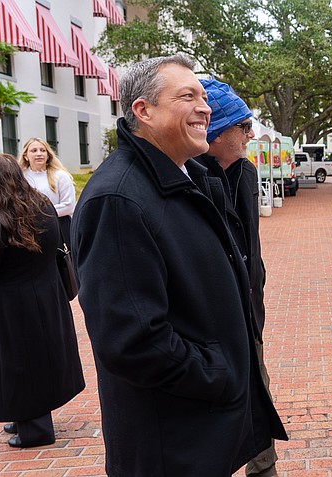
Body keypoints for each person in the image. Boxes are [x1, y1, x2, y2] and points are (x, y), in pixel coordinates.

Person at [71, 54, 287, 476]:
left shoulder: (184, 178)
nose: (204, 107)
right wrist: (218, 372)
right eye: (187, 96)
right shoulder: (118, 199)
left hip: (203, 429)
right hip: (171, 443)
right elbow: (132, 341)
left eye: (204, 97)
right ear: (143, 111)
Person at [193, 78, 279, 477]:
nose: (251, 134)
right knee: (214, 434)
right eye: (242, 126)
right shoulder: (185, 181)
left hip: (248, 320)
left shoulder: (245, 172)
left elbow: (251, 248)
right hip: (205, 337)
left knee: (257, 417)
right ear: (215, 131)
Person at [0, 154, 85, 448]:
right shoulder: (41, 204)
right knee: (40, 358)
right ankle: (25, 415)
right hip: (47, 290)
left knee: (19, 363)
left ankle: (36, 428)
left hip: (13, 301)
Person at [17, 138, 76, 250]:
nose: (39, 154)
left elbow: (69, 206)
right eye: (34, 151)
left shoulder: (61, 176)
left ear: (48, 155)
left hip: (58, 228)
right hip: (29, 230)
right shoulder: (20, 178)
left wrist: (40, 213)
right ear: (26, 156)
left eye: (42, 150)